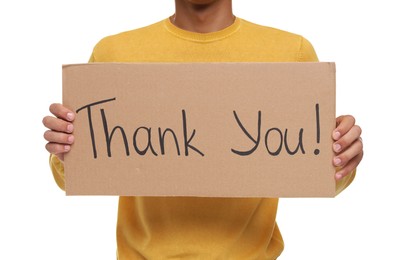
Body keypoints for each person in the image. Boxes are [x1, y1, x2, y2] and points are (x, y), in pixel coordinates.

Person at [43, 0, 364, 259]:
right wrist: (64, 149)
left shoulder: (291, 54)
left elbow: (319, 174)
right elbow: (75, 175)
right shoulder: (114, 54)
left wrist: (343, 157)